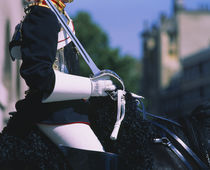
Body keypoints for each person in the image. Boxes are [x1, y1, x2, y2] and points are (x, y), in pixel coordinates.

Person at [9, 0, 118, 169]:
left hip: (69, 109)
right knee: (98, 163)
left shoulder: (58, 14)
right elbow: (38, 75)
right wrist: (92, 87)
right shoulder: (43, 14)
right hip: (54, 112)